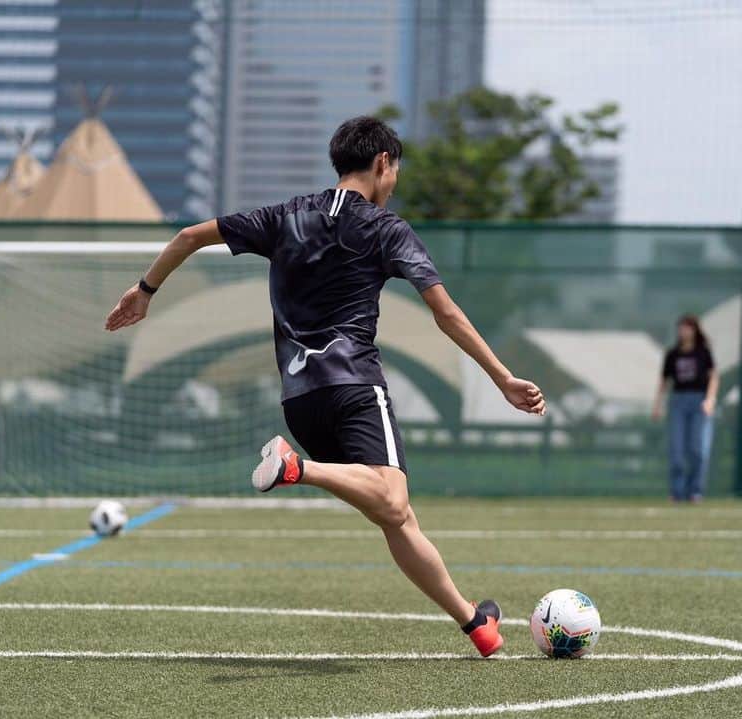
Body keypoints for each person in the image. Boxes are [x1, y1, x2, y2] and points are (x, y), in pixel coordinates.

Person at [104, 116, 546, 658]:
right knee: (392, 496)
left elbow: (189, 236)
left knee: (395, 515)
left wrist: (146, 290)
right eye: (397, 170)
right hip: (355, 386)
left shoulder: (285, 216)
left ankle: (476, 624)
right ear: (383, 162)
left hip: (300, 400)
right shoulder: (387, 229)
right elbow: (446, 313)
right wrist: (501, 377)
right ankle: (297, 469)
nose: (396, 182)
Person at [652, 315, 717, 503]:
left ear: (694, 330)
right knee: (677, 450)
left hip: (699, 401)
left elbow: (713, 376)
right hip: (678, 401)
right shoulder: (672, 354)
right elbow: (664, 381)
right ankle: (677, 491)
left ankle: (695, 491)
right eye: (681, 328)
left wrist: (710, 399)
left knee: (698, 449)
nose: (683, 331)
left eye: (687, 328)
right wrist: (658, 405)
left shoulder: (703, 353)